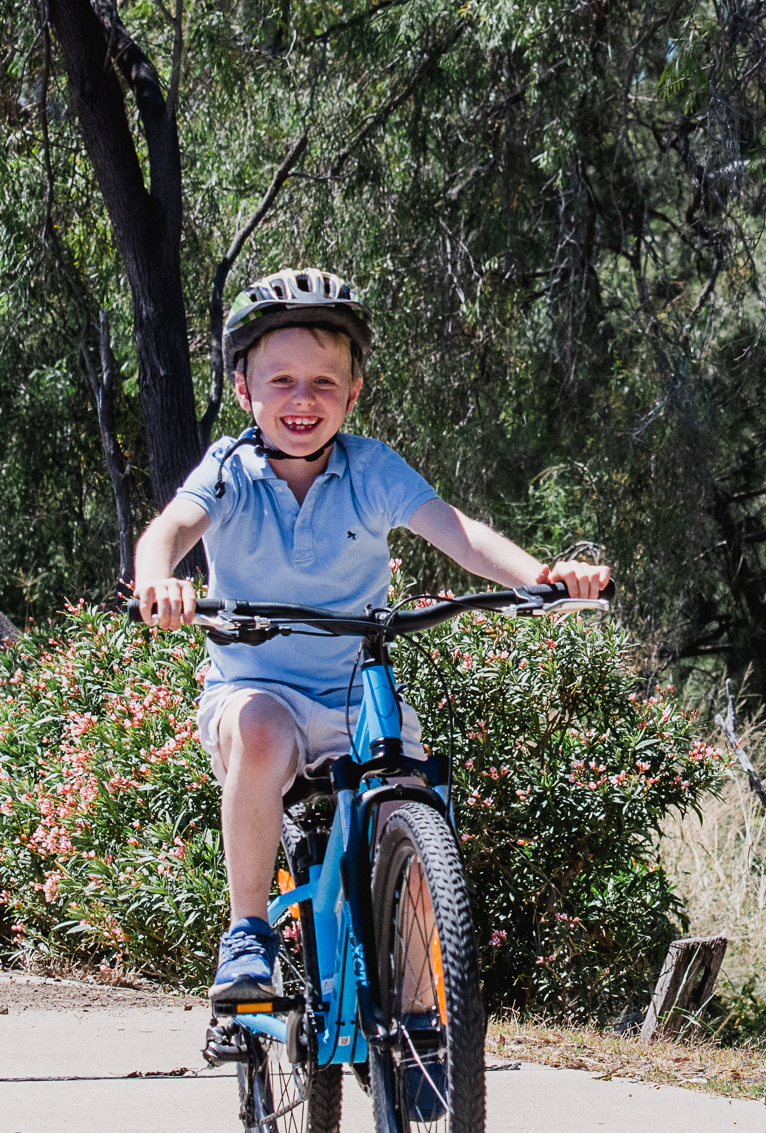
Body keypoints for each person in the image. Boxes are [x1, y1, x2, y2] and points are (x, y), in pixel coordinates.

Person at [131, 267, 612, 1001]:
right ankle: (248, 934)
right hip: (256, 691)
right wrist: (159, 580)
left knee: (411, 820)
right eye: (281, 380)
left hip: (358, 694)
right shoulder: (228, 471)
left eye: (325, 383)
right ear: (242, 390)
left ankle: (421, 1028)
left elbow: (462, 534)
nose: (302, 399)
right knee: (260, 733)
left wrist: (541, 577)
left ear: (353, 394)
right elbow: (168, 530)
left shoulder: (372, 468)